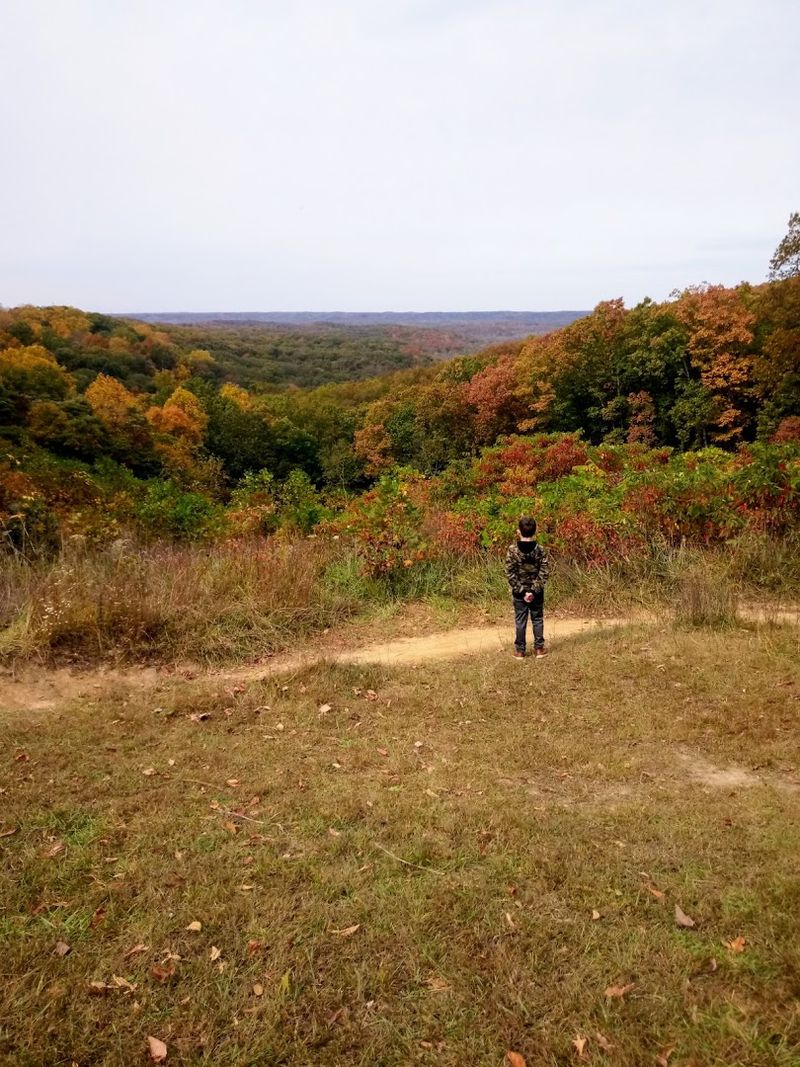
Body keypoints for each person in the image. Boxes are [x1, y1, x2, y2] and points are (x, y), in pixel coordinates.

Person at [504, 516, 550, 658]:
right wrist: (533, 590)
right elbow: (545, 572)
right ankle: (539, 649)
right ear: (535, 531)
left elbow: (509, 573)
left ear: (519, 531)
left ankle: (520, 651)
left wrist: (523, 591)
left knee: (520, 620)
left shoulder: (512, 550)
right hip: (537, 593)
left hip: (519, 593)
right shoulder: (540, 550)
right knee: (537, 619)